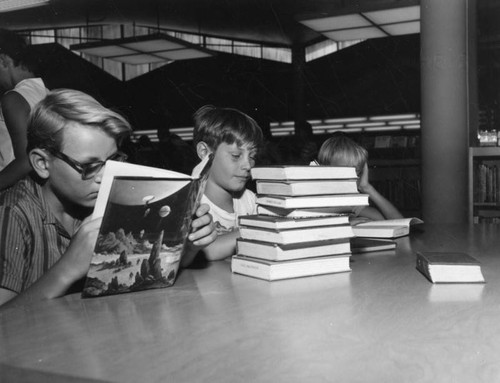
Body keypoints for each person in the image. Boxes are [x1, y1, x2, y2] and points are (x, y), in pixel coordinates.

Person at [0, 89, 217, 309]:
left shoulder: (94, 200)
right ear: (42, 163)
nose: (105, 176)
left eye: (112, 160)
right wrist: (67, 270)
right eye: (89, 166)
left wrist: (187, 249)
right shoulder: (11, 214)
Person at [192, 105, 264, 261]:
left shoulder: (250, 201)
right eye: (236, 155)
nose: (247, 165)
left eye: (252, 156)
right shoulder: (192, 207)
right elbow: (201, 253)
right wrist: (256, 229)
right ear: (204, 153)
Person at [0, 28, 49, 190]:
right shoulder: (46, 92)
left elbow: (26, 161)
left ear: (3, 60)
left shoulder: (13, 98)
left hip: (18, 191)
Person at [316, 133, 403, 221]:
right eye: (345, 173)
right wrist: (349, 224)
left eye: (357, 173)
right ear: (325, 170)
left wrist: (366, 187)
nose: (352, 180)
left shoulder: (349, 201)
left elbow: (399, 223)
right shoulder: (312, 198)